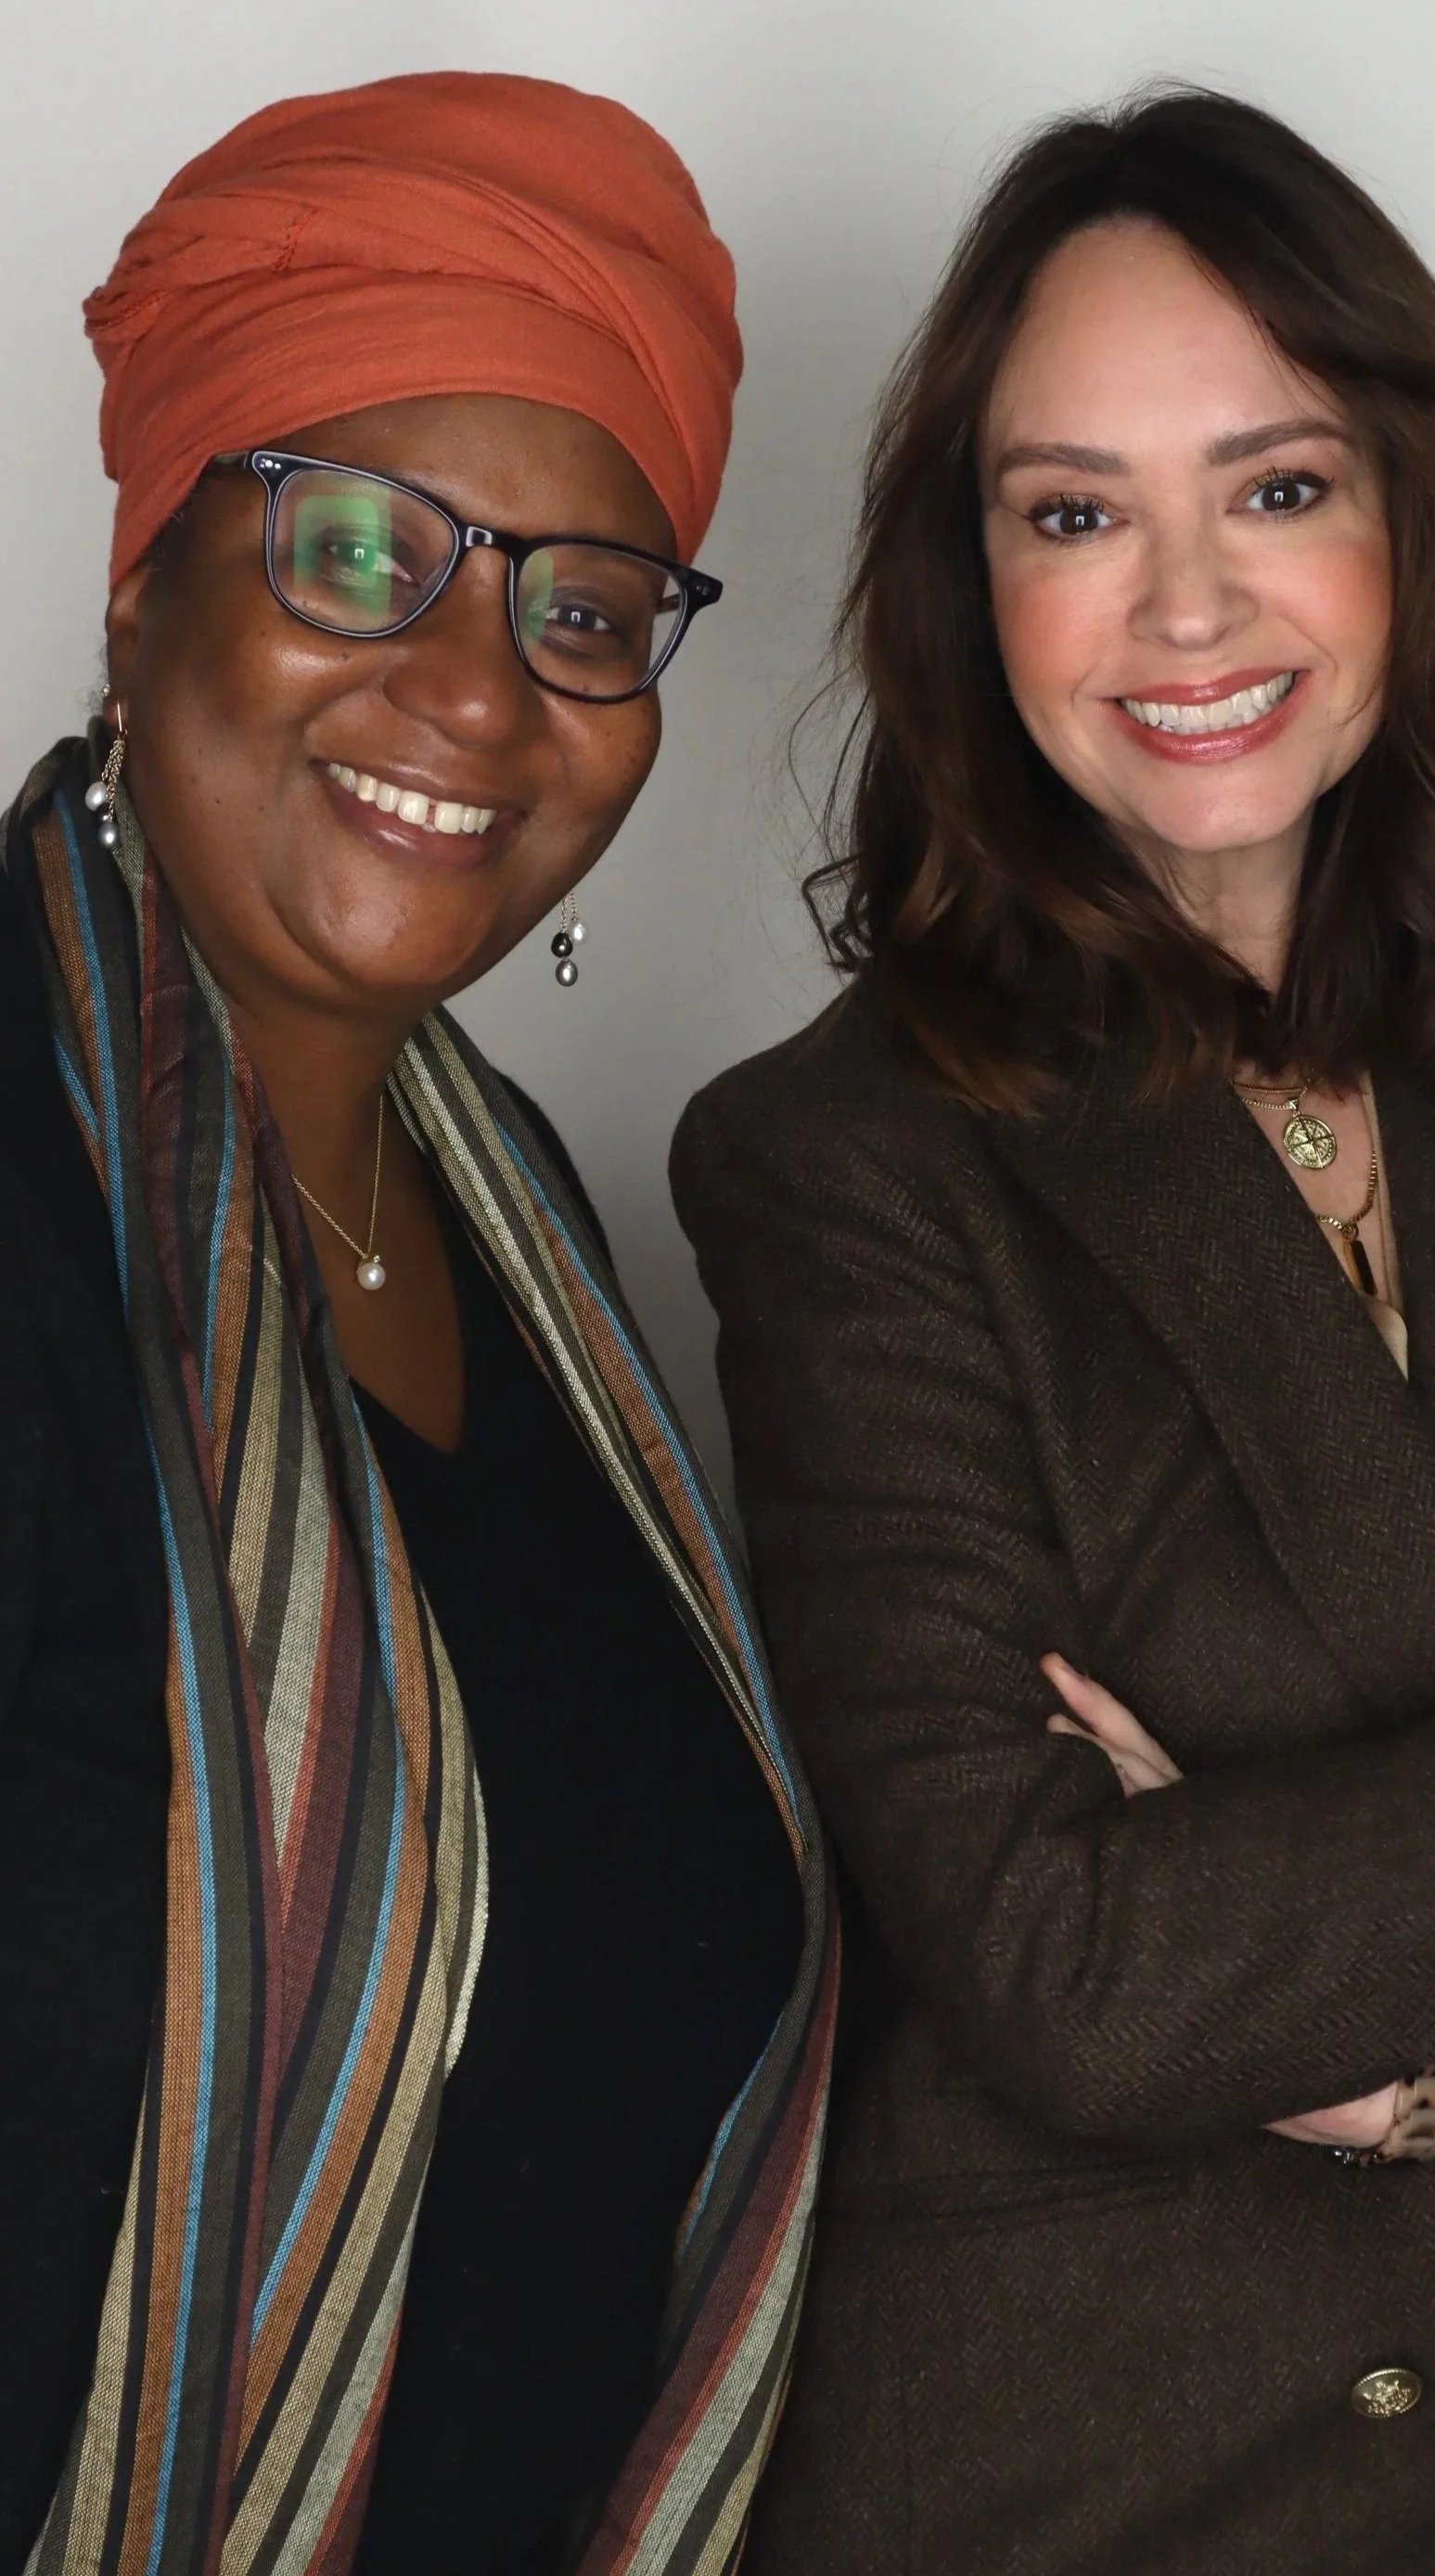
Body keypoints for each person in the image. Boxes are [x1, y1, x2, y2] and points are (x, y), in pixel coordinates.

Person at [672, 85, 1435, 2574]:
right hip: (1127, 2484)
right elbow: (1078, 1973)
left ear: (1412, 520)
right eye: (1072, 516)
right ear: (972, 584)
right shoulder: (846, 1166)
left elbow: (1182, 1953)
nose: (1184, 614)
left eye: (1273, 487)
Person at [0, 71, 834, 2576]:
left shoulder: (529, 1233)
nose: (479, 691)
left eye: (581, 606)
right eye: (360, 549)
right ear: (150, 576)